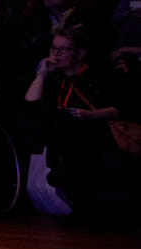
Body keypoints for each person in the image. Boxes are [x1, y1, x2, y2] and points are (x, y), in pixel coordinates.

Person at [23, 29, 136, 218]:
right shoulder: (54, 78)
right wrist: (41, 75)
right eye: (54, 48)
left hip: (95, 129)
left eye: (64, 49)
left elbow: (122, 108)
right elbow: (31, 103)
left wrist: (92, 115)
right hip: (62, 133)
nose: (57, 54)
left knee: (69, 130)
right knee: (45, 124)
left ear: (80, 53)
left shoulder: (99, 75)